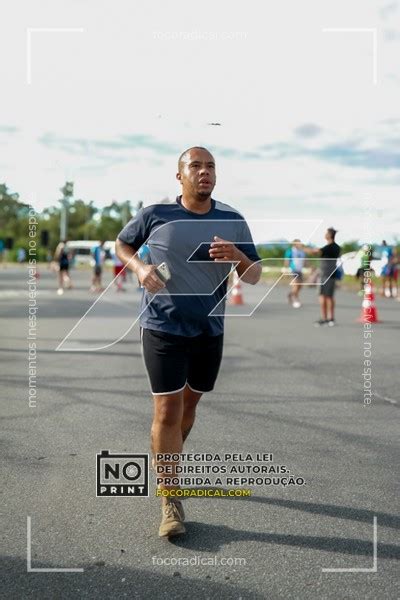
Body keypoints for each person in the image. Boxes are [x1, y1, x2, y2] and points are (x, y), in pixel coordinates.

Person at [115, 146, 262, 538]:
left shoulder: (232, 219)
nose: (204, 172)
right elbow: (122, 244)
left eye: (210, 166)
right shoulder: (156, 215)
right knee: (167, 410)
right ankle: (171, 498)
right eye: (195, 166)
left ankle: (165, 453)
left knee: (188, 405)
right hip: (162, 325)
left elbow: (255, 276)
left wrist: (237, 257)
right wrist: (142, 268)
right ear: (179, 175)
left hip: (209, 329)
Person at [305, 228, 341, 326]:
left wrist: (302, 247)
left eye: (326, 233)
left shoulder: (328, 247)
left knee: (323, 296)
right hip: (332, 275)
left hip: (325, 275)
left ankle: (325, 318)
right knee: (330, 297)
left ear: (329, 235)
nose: (324, 235)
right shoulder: (337, 247)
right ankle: (331, 318)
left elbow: (314, 252)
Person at [284, 239, 306, 308]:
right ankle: (295, 300)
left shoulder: (302, 251)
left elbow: (305, 260)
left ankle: (290, 295)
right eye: (298, 243)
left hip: (300, 270)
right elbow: (286, 261)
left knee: (300, 286)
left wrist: (310, 267)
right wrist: (286, 270)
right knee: (296, 286)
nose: (300, 244)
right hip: (293, 270)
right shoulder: (290, 251)